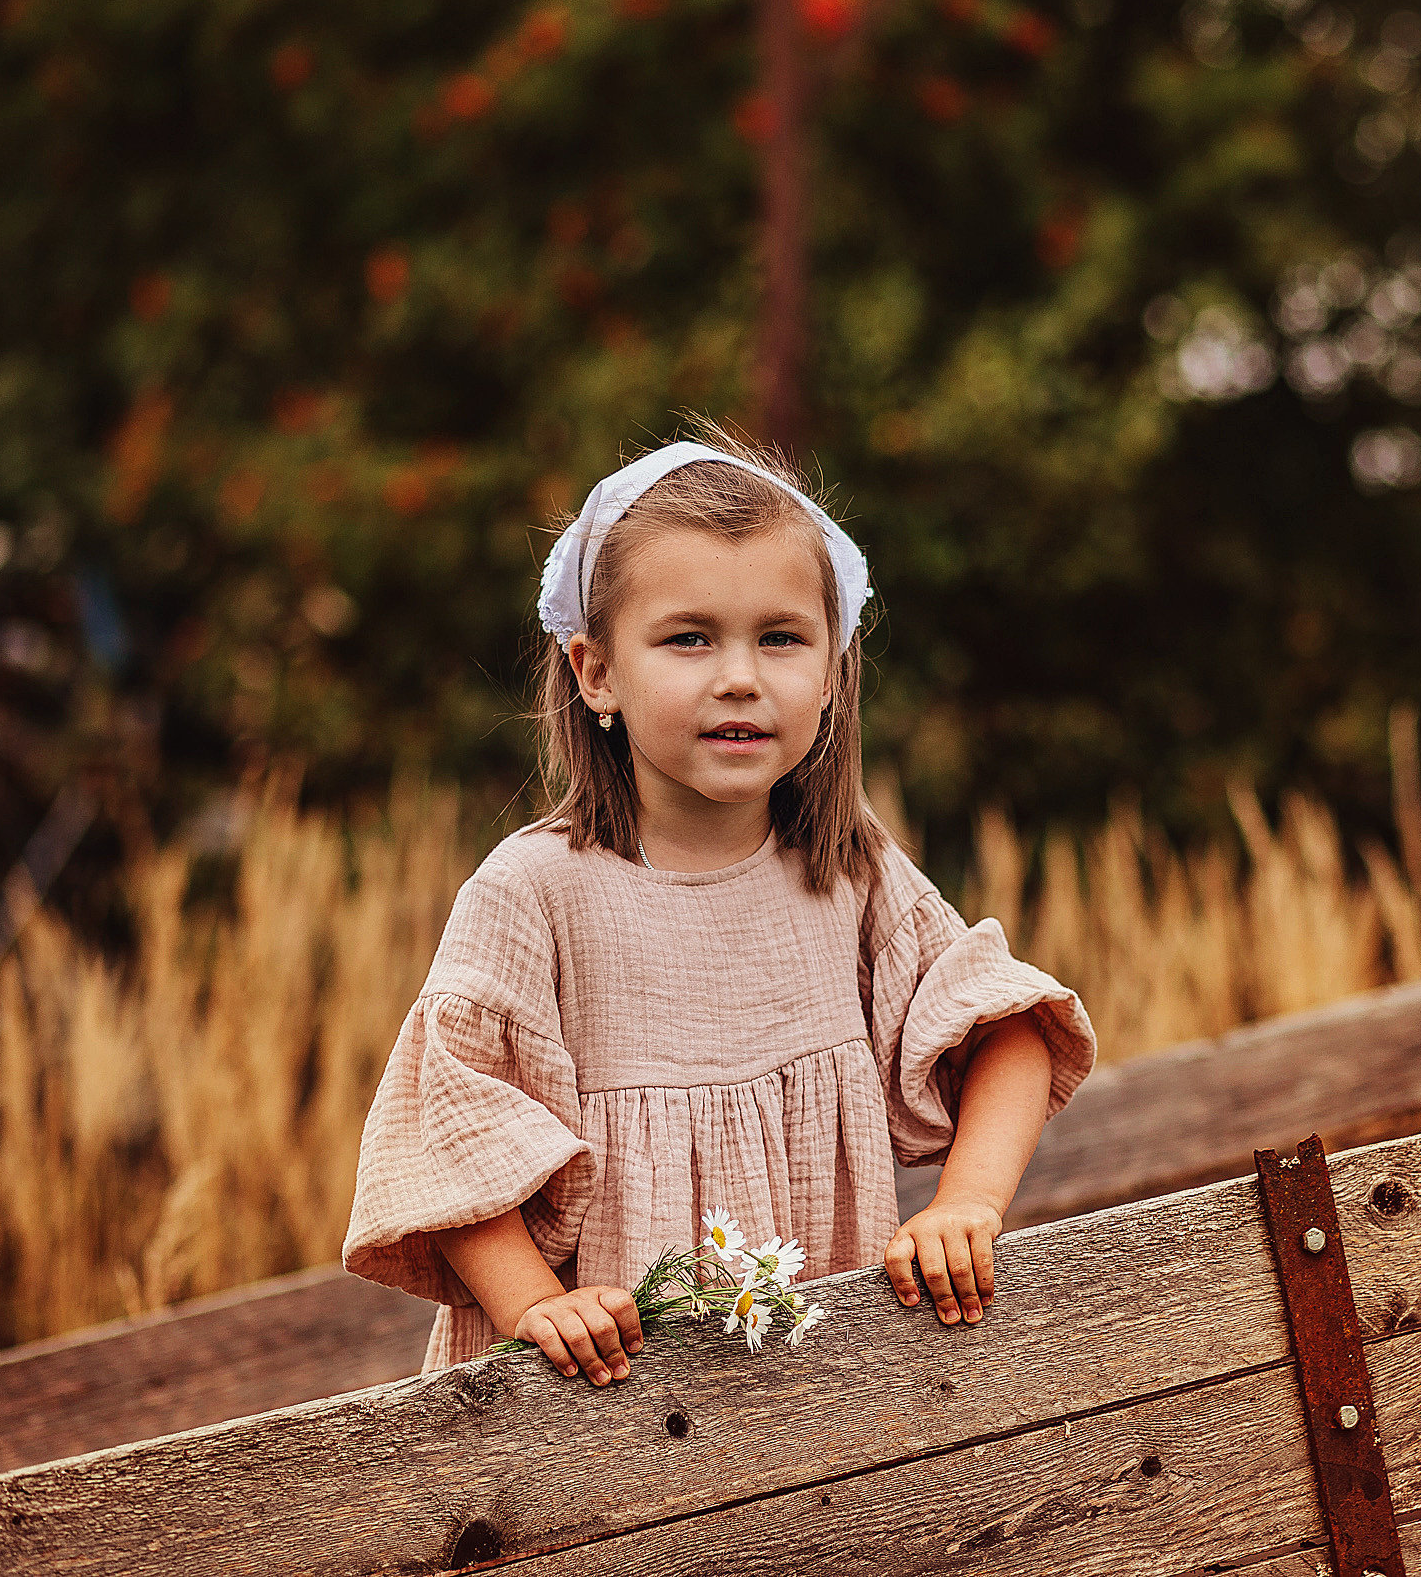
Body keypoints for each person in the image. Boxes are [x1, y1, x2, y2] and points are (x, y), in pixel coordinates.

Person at [342, 428, 1097, 1382]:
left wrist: (966, 1204)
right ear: (596, 672)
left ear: (831, 671)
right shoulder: (536, 892)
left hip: (812, 1397)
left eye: (780, 638)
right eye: (689, 638)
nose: (740, 675)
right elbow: (453, 1128)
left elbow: (1011, 1031)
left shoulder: (845, 868)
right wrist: (535, 1304)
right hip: (595, 1401)